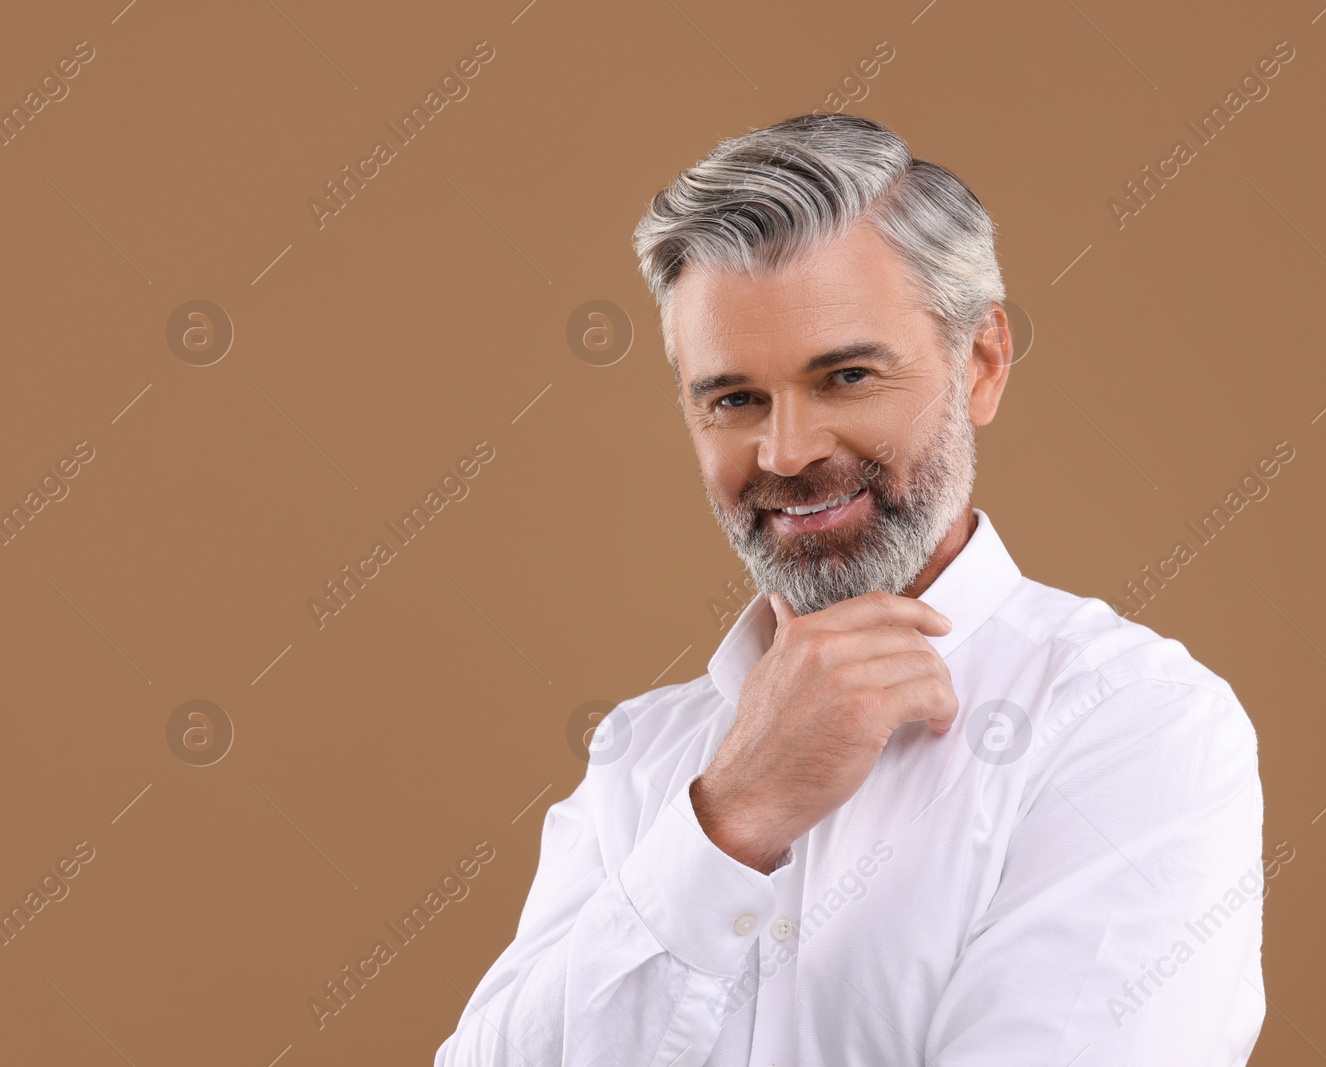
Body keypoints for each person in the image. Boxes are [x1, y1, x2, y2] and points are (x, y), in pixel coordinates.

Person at [434, 113, 1265, 1066]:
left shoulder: (1133, 722)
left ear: (981, 363)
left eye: (848, 376)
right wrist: (730, 820)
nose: (787, 452)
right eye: (733, 398)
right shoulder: (644, 759)